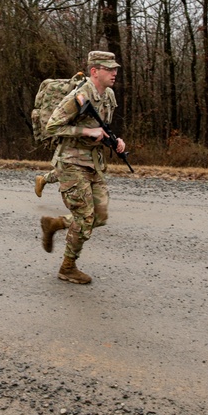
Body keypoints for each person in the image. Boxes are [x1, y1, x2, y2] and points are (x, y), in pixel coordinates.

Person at [39, 51, 127, 284]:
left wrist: (115, 141)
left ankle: (55, 223)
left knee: (100, 215)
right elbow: (51, 127)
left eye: (115, 68)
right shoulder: (79, 96)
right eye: (109, 69)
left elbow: (103, 125)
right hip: (70, 163)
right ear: (94, 71)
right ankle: (68, 267)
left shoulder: (108, 94)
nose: (114, 72)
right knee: (85, 218)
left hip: (92, 163)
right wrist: (86, 132)